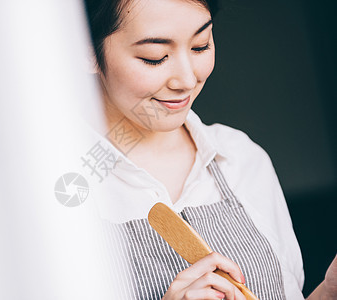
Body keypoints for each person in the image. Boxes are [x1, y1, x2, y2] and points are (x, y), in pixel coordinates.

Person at [81, 0, 337, 299]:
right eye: (155, 57)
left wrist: (328, 292)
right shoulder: (55, 190)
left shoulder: (239, 157)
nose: (188, 80)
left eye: (200, 45)